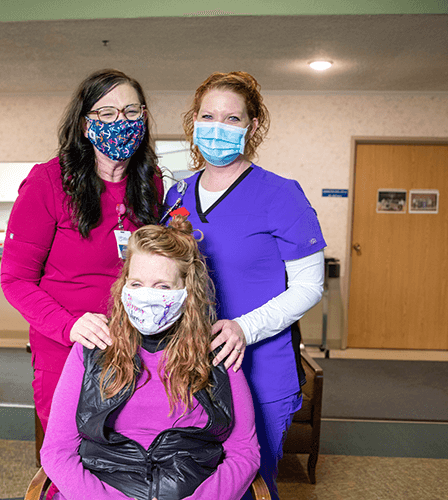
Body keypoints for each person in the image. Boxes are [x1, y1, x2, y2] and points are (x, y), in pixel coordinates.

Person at [163, 71, 325, 499]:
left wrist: (244, 328)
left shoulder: (281, 194)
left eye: (232, 119)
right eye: (208, 115)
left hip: (260, 368)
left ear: (252, 127)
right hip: (190, 367)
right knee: (191, 482)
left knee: (251, 483)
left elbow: (309, 286)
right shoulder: (175, 193)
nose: (218, 127)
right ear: (193, 120)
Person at [41, 216, 260, 500]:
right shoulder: (93, 346)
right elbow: (57, 451)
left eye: (162, 287)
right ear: (123, 286)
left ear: (186, 292)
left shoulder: (218, 350)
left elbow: (244, 452)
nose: (146, 296)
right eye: (136, 283)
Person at [1, 69, 163, 432]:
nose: (121, 122)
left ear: (144, 118)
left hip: (134, 346)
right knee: (70, 455)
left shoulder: (151, 183)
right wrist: (69, 325)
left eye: (131, 111)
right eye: (106, 113)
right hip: (66, 349)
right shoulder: (47, 182)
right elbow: (15, 280)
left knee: (124, 454)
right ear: (85, 123)